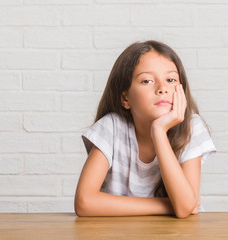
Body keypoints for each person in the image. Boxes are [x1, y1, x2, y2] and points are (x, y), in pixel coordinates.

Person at [74, 40, 216, 218]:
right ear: (125, 98)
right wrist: (167, 204)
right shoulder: (112, 127)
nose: (162, 88)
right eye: (147, 80)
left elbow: (184, 209)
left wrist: (159, 132)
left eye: (170, 80)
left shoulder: (191, 128)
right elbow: (84, 203)